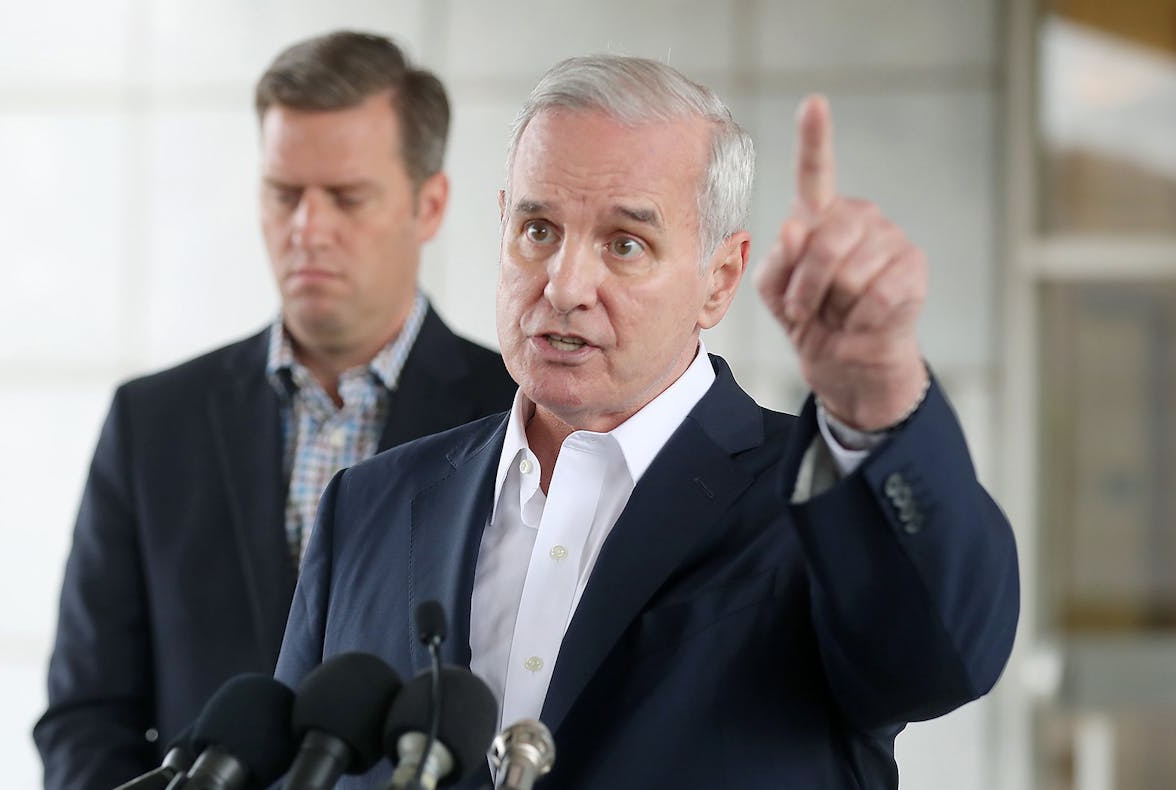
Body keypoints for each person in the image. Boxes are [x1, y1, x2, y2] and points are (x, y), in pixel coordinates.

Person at [275, 55, 1019, 788]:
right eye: (538, 230)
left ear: (718, 280)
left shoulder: (811, 504)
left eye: (624, 244)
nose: (564, 286)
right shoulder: (366, 508)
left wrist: (879, 398)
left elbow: (942, 661)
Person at [33, 31, 517, 790]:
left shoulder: (519, 414)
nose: (307, 229)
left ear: (429, 205)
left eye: (347, 197)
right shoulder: (152, 424)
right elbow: (86, 713)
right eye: (284, 193)